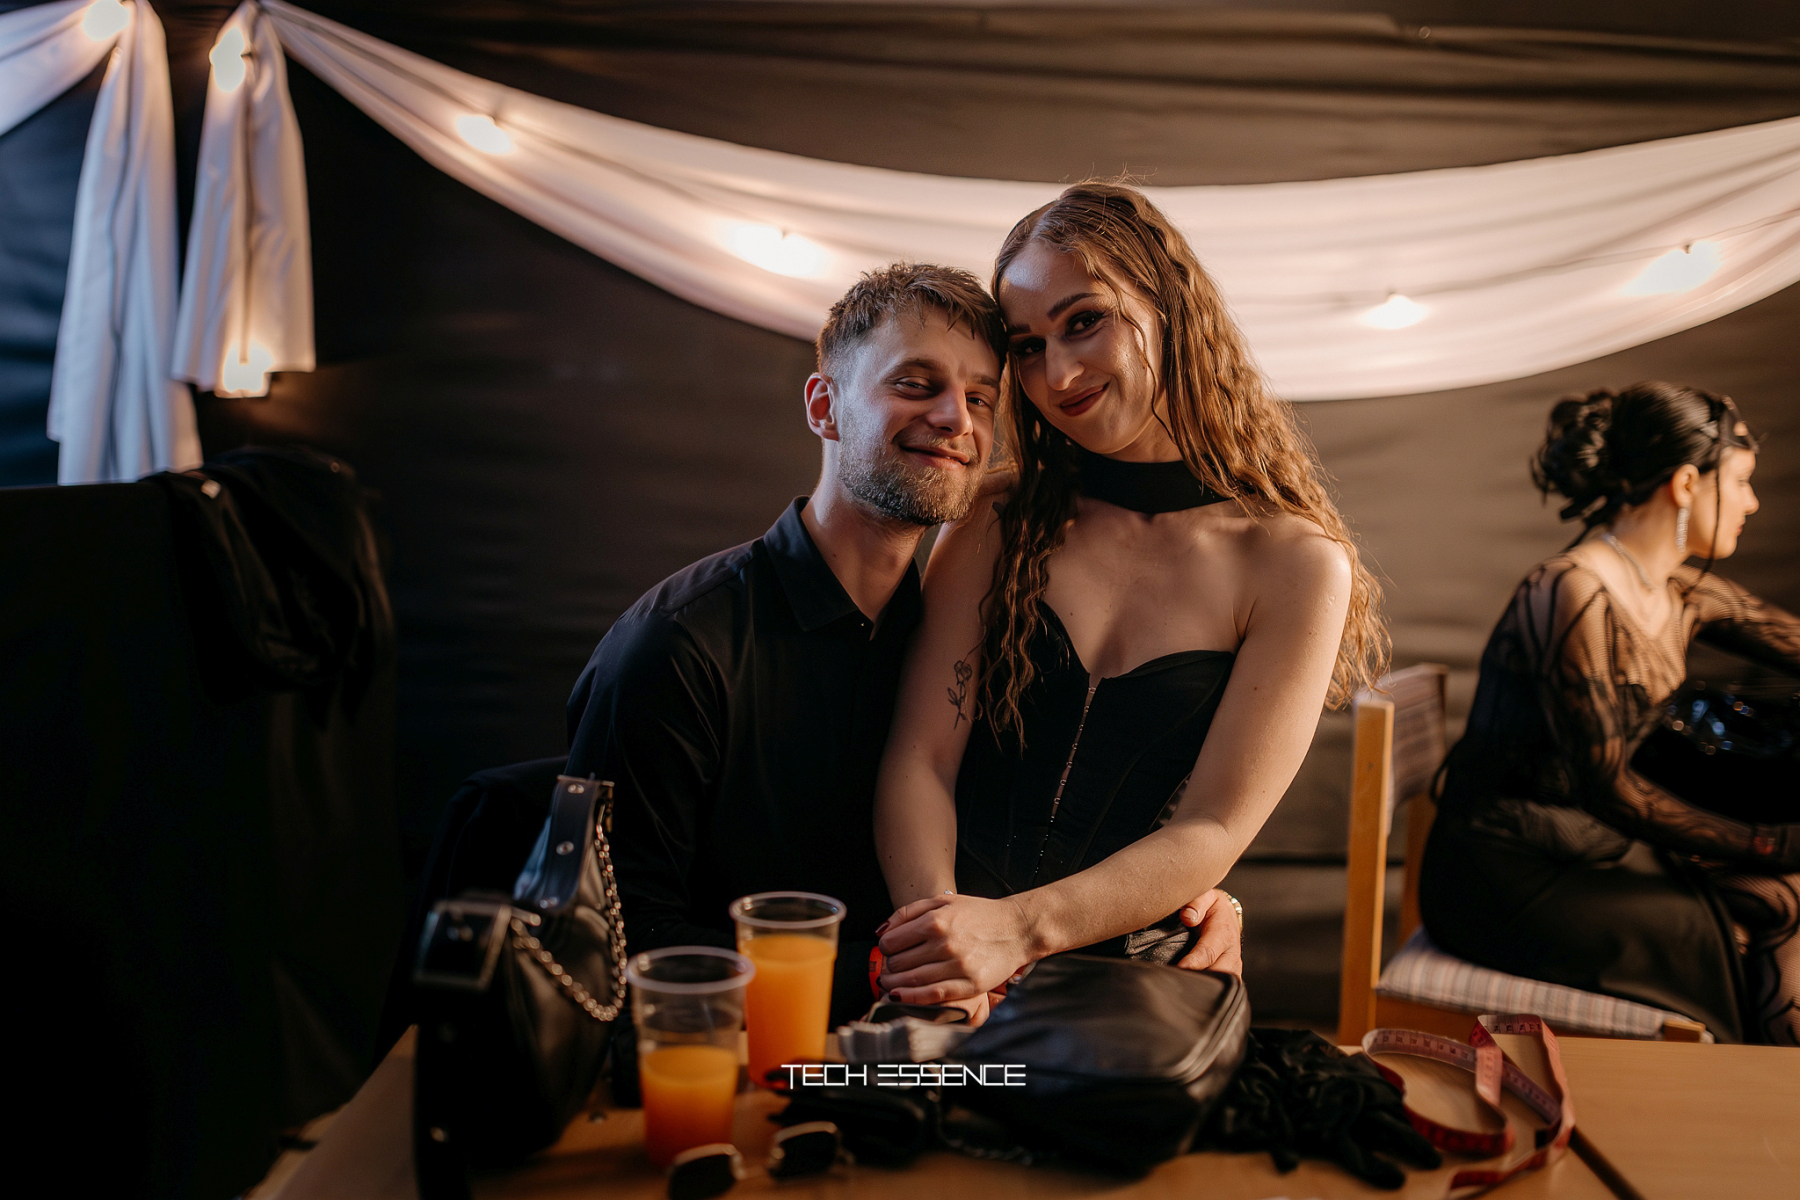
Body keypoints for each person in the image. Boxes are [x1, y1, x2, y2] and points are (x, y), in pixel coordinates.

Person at [565, 262, 1244, 1025]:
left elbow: (1042, 827)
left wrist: (1185, 905)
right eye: (917, 385)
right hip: (756, 1065)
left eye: (980, 397)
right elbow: (616, 945)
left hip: (959, 1047)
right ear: (824, 407)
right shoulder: (676, 647)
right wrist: (892, 971)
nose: (957, 419)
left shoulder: (968, 637)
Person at [871, 184, 1383, 1018]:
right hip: (941, 953)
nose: (1058, 374)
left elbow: (1213, 828)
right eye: (1028, 347)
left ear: (1170, 306)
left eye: (1085, 321)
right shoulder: (993, 519)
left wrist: (1014, 933)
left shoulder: (1295, 566)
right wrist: (947, 948)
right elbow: (920, 759)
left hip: (1135, 986)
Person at [1419, 382, 1800, 1046]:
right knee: (1774, 896)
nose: (1752, 502)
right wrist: (1768, 843)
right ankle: (1752, 1084)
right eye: (1740, 482)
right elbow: (1611, 790)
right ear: (1687, 484)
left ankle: (1767, 1087)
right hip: (1506, 875)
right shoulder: (1572, 591)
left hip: (1590, 849)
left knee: (1784, 895)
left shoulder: (1676, 590)